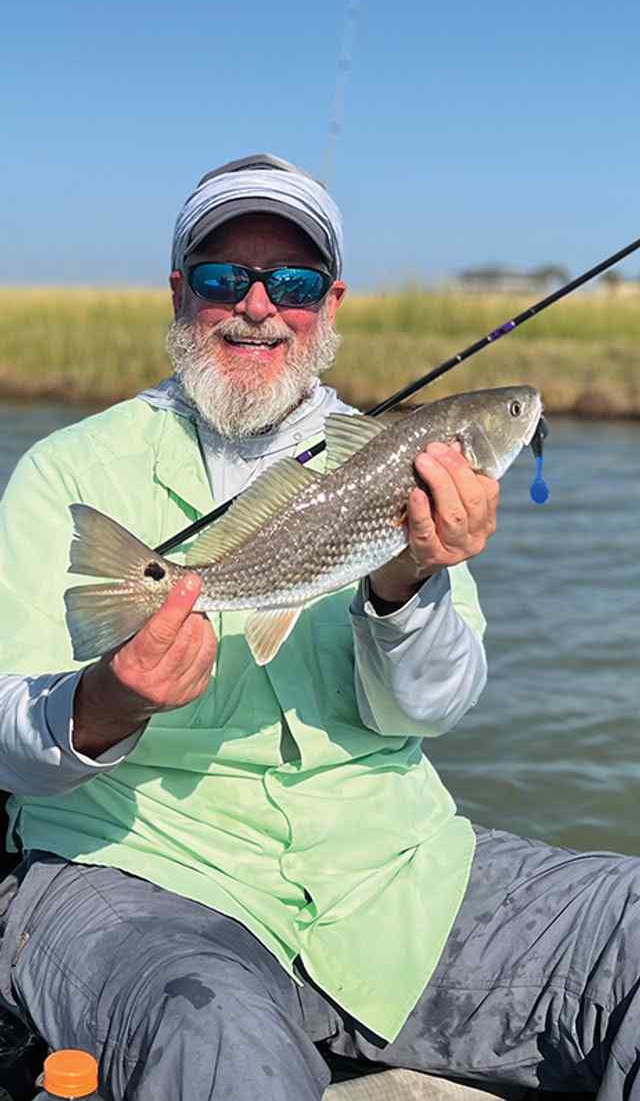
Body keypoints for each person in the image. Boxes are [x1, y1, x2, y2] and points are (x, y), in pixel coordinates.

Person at [0, 155, 636, 1101]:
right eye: (224, 277)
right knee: (215, 1035)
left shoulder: (404, 453)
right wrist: (108, 701)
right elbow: (10, 738)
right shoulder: (65, 471)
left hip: (395, 880)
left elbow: (432, 707)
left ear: (328, 304)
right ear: (180, 291)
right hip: (138, 871)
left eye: (292, 282)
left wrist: (410, 574)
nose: (258, 304)